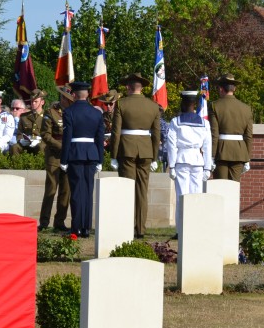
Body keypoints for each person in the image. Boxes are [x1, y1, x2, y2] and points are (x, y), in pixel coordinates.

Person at [111, 72, 162, 239]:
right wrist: (155, 157)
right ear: (141, 88)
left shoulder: (121, 104)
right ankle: (140, 228)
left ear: (128, 87)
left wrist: (113, 155)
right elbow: (156, 134)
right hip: (146, 151)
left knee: (127, 189)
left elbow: (116, 132)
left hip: (127, 150)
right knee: (142, 191)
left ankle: (126, 225)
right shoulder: (153, 106)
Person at [61, 81, 106, 237]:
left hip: (75, 154)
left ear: (73, 94)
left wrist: (63, 160)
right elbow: (100, 139)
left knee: (76, 192)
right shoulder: (96, 113)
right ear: (87, 94)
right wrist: (100, 160)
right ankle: (86, 228)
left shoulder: (69, 112)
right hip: (91, 154)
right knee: (88, 191)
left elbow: (67, 138)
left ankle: (77, 227)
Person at [166, 91, 212, 224]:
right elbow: (207, 147)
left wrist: (172, 165)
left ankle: (181, 228)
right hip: (198, 161)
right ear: (194, 105)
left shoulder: (175, 122)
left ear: (183, 103)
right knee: (196, 195)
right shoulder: (204, 123)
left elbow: (172, 145)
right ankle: (195, 225)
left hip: (181, 160)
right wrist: (207, 167)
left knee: (182, 196)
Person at [208, 73, 253, 182]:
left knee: (220, 187)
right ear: (235, 88)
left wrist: (211, 156)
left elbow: (214, 134)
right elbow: (248, 136)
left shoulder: (215, 106)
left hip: (221, 151)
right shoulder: (247, 108)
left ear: (221, 89)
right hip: (239, 152)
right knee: (234, 187)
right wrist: (247, 157)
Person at [39, 87, 72, 232]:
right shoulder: (50, 112)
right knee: (51, 190)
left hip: (69, 156)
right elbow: (46, 135)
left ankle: (60, 221)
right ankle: (44, 222)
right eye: (67, 98)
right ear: (62, 98)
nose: (69, 101)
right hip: (55, 156)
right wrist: (62, 147)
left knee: (66, 191)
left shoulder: (73, 112)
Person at [13, 89, 46, 155]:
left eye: (36, 101)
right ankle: (16, 165)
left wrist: (40, 140)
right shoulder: (24, 116)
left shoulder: (48, 116)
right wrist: (21, 140)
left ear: (42, 102)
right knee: (15, 147)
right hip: (27, 143)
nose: (33, 103)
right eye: (32, 101)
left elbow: (51, 134)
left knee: (41, 147)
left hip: (41, 143)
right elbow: (19, 133)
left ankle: (41, 165)